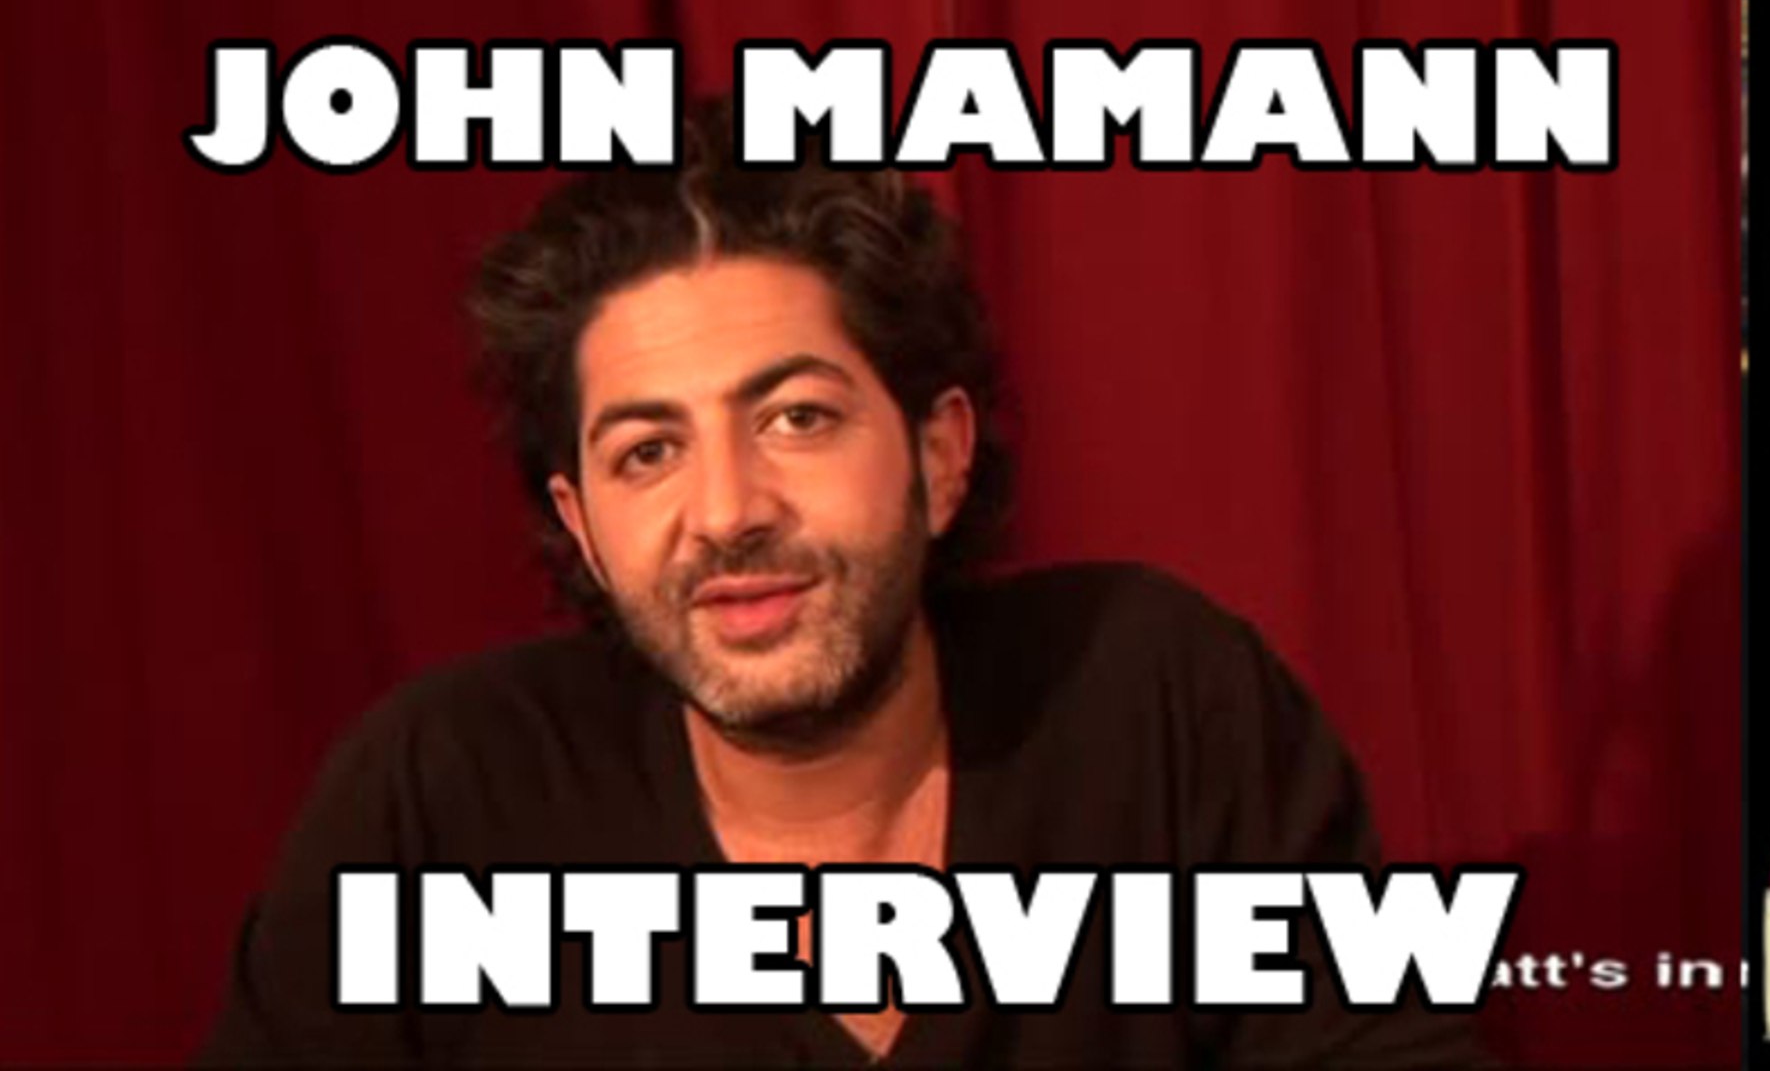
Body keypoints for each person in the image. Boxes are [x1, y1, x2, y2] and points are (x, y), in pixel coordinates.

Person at [201, 101, 1484, 1067]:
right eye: (647, 452)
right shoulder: (441, 797)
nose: (727, 512)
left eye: (798, 418)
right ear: (582, 526)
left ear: (938, 454)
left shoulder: (1156, 698)